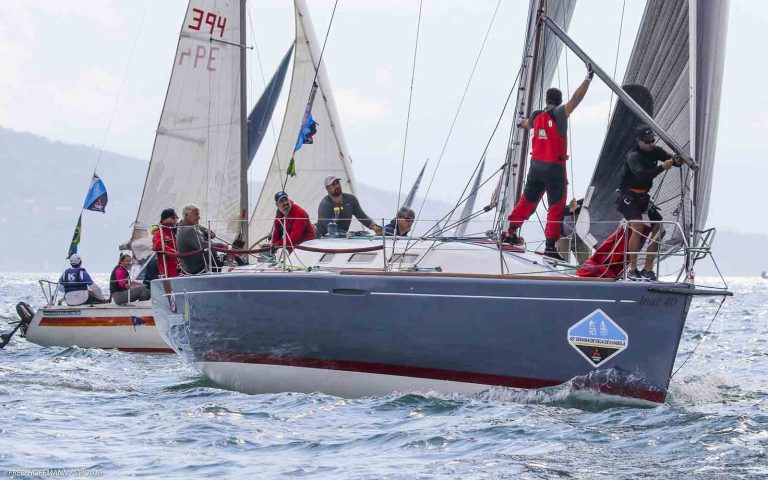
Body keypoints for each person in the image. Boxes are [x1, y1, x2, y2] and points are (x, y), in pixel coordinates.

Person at [504, 63, 594, 260]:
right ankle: (550, 247)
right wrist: (588, 79)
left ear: (546, 100)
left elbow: (525, 124)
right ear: (559, 101)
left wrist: (520, 122)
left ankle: (510, 233)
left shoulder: (537, 116)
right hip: (554, 168)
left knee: (527, 200)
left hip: (535, 167)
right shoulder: (559, 114)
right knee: (555, 206)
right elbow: (576, 99)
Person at [617, 124, 682, 281]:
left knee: (659, 226)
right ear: (638, 140)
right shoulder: (633, 155)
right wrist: (661, 168)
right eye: (647, 142)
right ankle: (633, 269)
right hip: (627, 195)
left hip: (643, 197)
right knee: (637, 225)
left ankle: (648, 269)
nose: (650, 144)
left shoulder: (655, 150)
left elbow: (674, 161)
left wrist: (678, 159)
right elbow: (641, 176)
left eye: (652, 140)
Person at [316, 175, 383, 236]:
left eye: (338, 183)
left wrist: (374, 226)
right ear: (327, 188)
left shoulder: (351, 199)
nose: (337, 186)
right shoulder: (324, 205)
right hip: (323, 239)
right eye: (333, 184)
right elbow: (330, 230)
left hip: (342, 238)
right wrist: (352, 234)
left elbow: (361, 216)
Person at [176, 203, 219, 275]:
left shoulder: (190, 225)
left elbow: (210, 234)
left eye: (198, 214)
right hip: (198, 269)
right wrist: (221, 246)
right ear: (186, 215)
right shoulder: (189, 230)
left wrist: (210, 233)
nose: (199, 217)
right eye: (196, 214)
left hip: (197, 267)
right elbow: (202, 246)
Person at [556, 198, 590, 265]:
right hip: (564, 237)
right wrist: (571, 208)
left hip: (580, 238)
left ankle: (581, 273)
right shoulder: (565, 210)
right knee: (562, 263)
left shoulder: (591, 207)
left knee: (586, 264)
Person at [152, 208, 180, 278]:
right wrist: (174, 252)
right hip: (168, 271)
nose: (176, 219)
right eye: (173, 217)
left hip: (180, 269)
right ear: (164, 219)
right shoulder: (159, 233)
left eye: (177, 218)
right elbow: (158, 245)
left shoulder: (175, 232)